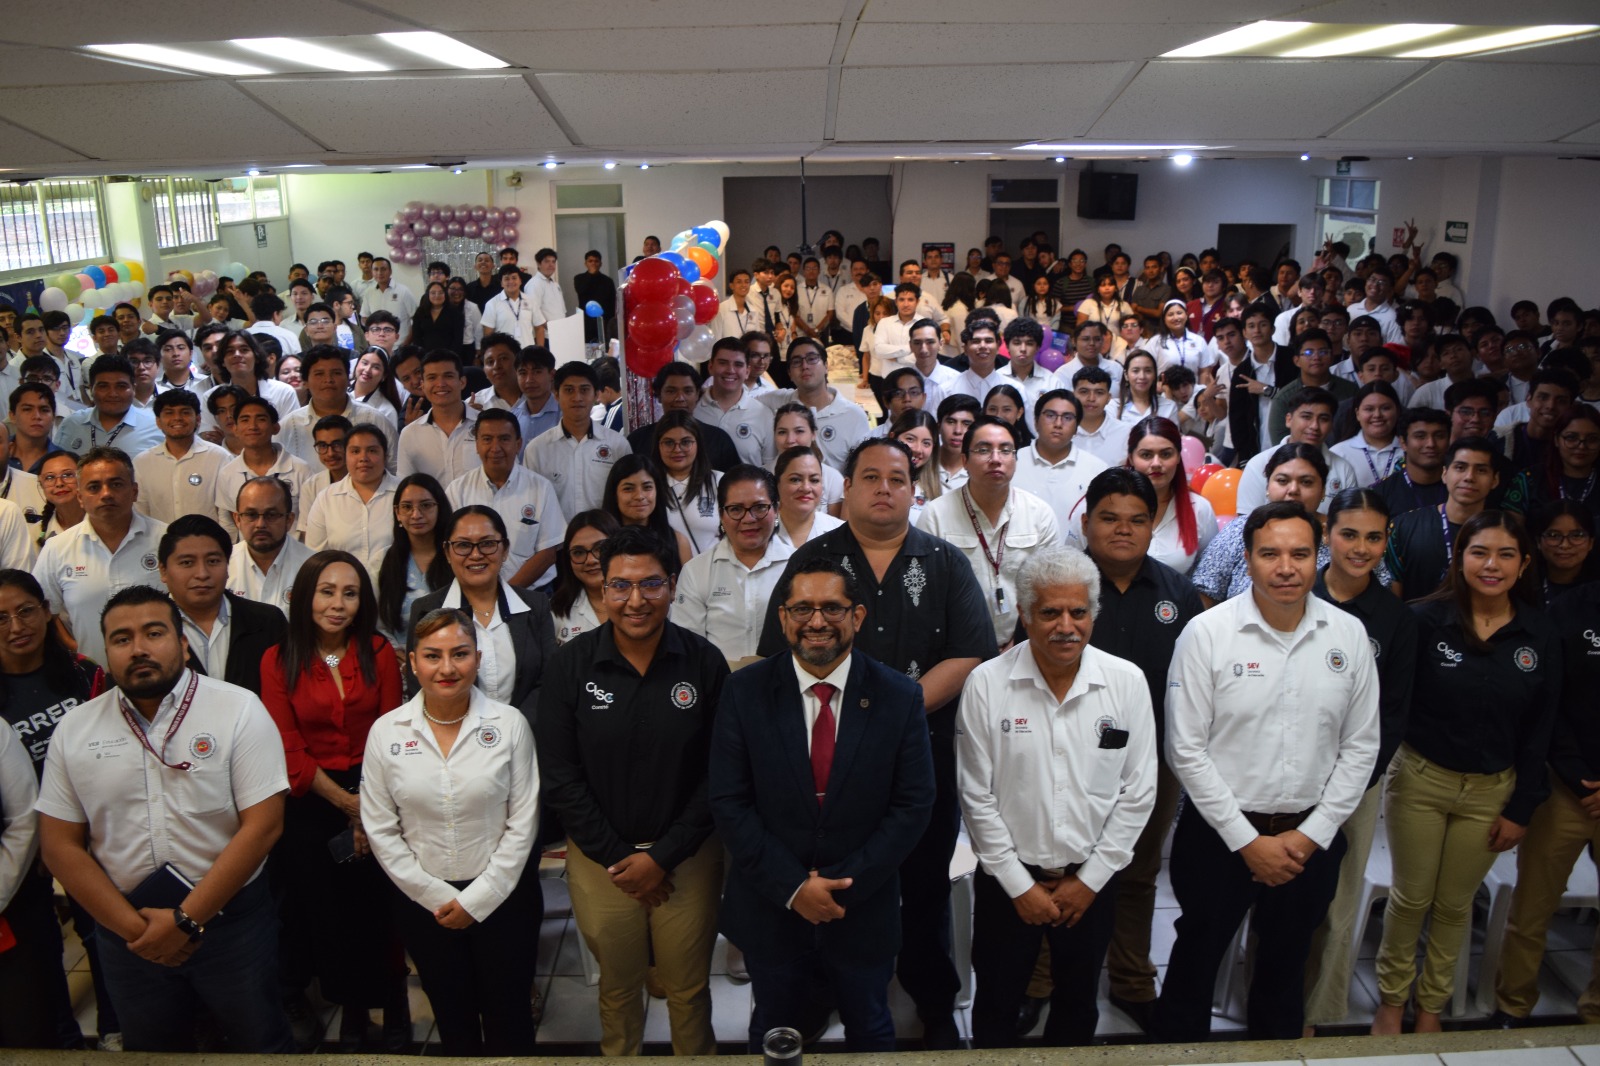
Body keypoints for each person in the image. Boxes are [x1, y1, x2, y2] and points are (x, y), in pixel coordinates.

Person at [758, 438, 997, 1049]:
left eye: (897, 478)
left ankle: (933, 1001)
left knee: (924, 886)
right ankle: (821, 995)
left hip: (923, 756)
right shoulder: (814, 559)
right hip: (826, 762)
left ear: (914, 491)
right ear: (847, 489)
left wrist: (893, 716)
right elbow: (781, 654)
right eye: (870, 477)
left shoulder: (944, 562)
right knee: (830, 881)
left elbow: (969, 653)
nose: (884, 488)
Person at [1155, 502, 1379, 1042]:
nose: (1285, 568)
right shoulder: (1207, 633)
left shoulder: (1347, 635)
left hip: (1309, 839)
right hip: (1219, 836)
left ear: (1317, 557)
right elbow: (1185, 749)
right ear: (1248, 558)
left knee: (1285, 966)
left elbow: (1361, 746)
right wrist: (1247, 841)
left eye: (1300, 554)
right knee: (1196, 960)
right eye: (1270, 554)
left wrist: (1311, 834)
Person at [36, 585, 293, 1052]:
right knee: (152, 1051)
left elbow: (264, 826)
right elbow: (58, 844)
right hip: (126, 931)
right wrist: (139, 932)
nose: (138, 648)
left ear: (183, 643)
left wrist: (185, 920)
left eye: (154, 633)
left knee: (260, 1043)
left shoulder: (238, 709)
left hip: (230, 924)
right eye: (121, 639)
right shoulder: (76, 728)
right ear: (105, 651)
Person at [711, 557, 935, 1051]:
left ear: (857, 616)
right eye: (803, 609)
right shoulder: (744, 692)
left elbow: (913, 805)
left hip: (861, 907)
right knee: (773, 1030)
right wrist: (795, 888)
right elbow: (729, 800)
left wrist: (840, 888)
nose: (817, 621)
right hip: (772, 905)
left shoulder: (899, 697)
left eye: (832, 608)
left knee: (871, 1028)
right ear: (783, 618)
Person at [537, 527, 730, 1056]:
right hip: (602, 860)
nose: (636, 600)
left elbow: (720, 772)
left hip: (688, 856)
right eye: (620, 586)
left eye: (651, 584)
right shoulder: (570, 665)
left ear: (673, 586)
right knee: (619, 989)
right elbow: (560, 775)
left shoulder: (704, 662)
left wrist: (662, 858)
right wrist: (621, 858)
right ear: (602, 589)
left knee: (688, 989)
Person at [959, 546, 1156, 1047]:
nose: (1066, 626)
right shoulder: (986, 684)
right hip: (1008, 884)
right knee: (996, 1004)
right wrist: (1018, 886)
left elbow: (1139, 792)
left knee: (1078, 1005)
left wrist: (1089, 881)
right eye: (1050, 613)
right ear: (1025, 615)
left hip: (1091, 883)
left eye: (1078, 612)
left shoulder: (1126, 682)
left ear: (1094, 613)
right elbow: (975, 795)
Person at [1372, 511, 1561, 1034]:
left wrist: (1522, 807)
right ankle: (1391, 1002)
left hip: (1491, 792)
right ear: (1459, 558)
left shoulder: (1540, 633)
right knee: (1411, 898)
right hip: (1421, 781)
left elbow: (1541, 728)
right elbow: (1395, 707)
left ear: (1524, 564)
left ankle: (1431, 1007)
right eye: (1479, 552)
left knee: (1455, 906)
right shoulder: (1422, 621)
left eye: (1505, 554)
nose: (1491, 565)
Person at [361, 607, 540, 1056]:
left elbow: (523, 823)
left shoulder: (509, 725)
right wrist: (438, 897)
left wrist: (477, 900)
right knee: (452, 1019)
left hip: (505, 899)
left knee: (510, 1020)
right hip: (425, 906)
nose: (447, 668)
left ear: (477, 658)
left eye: (459, 654)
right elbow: (381, 829)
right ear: (412, 662)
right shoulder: (386, 733)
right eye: (432, 655)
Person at [260, 550, 408, 1050]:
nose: (338, 604)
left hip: (378, 789)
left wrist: (367, 810)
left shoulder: (378, 651)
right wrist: (347, 807)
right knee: (329, 913)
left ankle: (394, 1000)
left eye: (350, 593)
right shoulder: (278, 659)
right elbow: (288, 747)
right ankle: (351, 1007)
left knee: (381, 905)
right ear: (306, 596)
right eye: (327, 592)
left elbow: (389, 733)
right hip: (312, 799)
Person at [1297, 489, 1418, 1033]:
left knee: (1338, 903)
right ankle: (1268, 1003)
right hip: (1281, 776)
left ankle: (1315, 1014)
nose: (1360, 548)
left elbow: (1393, 714)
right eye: (1349, 534)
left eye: (1373, 537)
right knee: (1279, 897)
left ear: (1387, 540)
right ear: (1327, 533)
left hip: (1354, 784)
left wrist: (1348, 784)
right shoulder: (1294, 593)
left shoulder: (1395, 619)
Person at [0, 570, 111, 1051]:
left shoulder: (85, 673)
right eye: (0, 618)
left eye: (26, 611)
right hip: (20, 842)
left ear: (47, 612)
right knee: (39, 949)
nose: (16, 626)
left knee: (102, 934)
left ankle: (114, 1029)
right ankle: (62, 1039)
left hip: (93, 832)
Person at [1492, 572, 1600, 1024]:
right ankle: (1512, 1006)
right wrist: (1577, 775)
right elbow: (1549, 703)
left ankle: (1596, 1012)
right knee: (1532, 908)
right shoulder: (1570, 610)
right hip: (1566, 786)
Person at [406, 505, 558, 729]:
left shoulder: (536, 606)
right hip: (454, 737)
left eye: (487, 544)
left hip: (525, 734)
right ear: (447, 552)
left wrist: (513, 730)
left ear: (504, 549)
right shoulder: (426, 610)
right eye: (463, 545)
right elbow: (419, 684)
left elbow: (549, 680)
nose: (476, 554)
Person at [917, 416, 1060, 648]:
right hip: (954, 649)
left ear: (1015, 458)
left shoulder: (1039, 515)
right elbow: (927, 595)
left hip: (1024, 646)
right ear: (964, 460)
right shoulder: (935, 515)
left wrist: (1019, 643)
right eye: (983, 450)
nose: (995, 459)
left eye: (1005, 450)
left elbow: (1049, 589)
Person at [32, 447, 167, 668]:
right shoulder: (57, 548)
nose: (106, 494)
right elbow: (43, 612)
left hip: (161, 671)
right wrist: (72, 645)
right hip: (92, 674)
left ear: (134, 491)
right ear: (80, 497)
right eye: (94, 487)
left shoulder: (165, 540)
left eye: (116, 484)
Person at [1194, 443, 1341, 605]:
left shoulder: (1338, 538)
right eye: (1282, 481)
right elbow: (1204, 594)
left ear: (1322, 491)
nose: (1293, 490)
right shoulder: (1239, 530)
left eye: (1306, 482)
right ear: (1268, 487)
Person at [674, 465, 793, 661]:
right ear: (721, 515)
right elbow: (689, 646)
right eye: (736, 509)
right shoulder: (696, 571)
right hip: (718, 678)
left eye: (759, 507)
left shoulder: (798, 567)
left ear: (776, 509)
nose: (749, 519)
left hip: (784, 676)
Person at [158, 514, 284, 695]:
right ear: (163, 570)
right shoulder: (145, 629)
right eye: (187, 563)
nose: (202, 574)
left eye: (213, 561)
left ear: (227, 565)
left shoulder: (268, 621)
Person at [1384, 435, 1501, 600]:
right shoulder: (1404, 526)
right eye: (1460, 467)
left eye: (1481, 470)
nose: (1469, 477)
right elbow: (1390, 598)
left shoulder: (1505, 534)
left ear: (1495, 480)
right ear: (1445, 474)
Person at [524, 362, 631, 518]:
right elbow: (531, 503)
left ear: (596, 395)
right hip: (556, 534)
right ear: (556, 395)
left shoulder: (618, 445)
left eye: (584, 390)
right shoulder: (537, 449)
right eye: (569, 390)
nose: (577, 398)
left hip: (606, 532)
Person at [1235, 387, 1358, 515]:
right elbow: (1246, 520)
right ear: (1289, 419)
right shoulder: (1259, 463)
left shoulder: (1343, 469)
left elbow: (1349, 521)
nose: (1314, 426)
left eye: (1323, 419)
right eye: (1306, 417)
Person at [305, 425, 402, 579]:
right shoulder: (326, 499)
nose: (363, 458)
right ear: (345, 455)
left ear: (385, 455)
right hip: (343, 587)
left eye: (372, 451)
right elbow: (315, 556)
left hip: (396, 585)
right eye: (355, 451)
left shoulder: (404, 494)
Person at [214, 395, 315, 542]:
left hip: (293, 553)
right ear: (235, 428)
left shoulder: (301, 470)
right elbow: (228, 525)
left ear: (275, 427)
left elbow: (309, 524)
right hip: (247, 553)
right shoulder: (227, 473)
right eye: (245, 420)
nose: (252, 426)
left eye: (261, 419)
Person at [132, 389, 230, 527]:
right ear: (158, 421)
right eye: (169, 413)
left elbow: (226, 515)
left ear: (198, 419)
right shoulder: (142, 462)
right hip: (158, 540)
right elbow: (140, 513)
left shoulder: (220, 457)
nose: (177, 418)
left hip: (209, 539)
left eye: (185, 412)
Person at [374, 474, 453, 646]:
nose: (416, 514)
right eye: (407, 507)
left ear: (440, 508)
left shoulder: (457, 556)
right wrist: (393, 650)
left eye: (426, 505)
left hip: (452, 653)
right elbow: (377, 624)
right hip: (399, 657)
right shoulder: (381, 561)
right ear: (397, 513)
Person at [227, 475, 313, 617]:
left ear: (289, 520)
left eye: (271, 515)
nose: (260, 524)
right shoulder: (224, 565)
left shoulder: (311, 567)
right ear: (237, 519)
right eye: (251, 514)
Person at [53, 356, 162, 458]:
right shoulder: (71, 424)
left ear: (133, 389)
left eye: (121, 386)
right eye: (103, 386)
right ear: (91, 389)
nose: (112, 394)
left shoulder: (155, 427)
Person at [398, 351, 477, 486]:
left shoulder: (485, 426)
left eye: (448, 376)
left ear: (462, 382)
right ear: (423, 385)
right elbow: (405, 487)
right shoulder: (410, 434)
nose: (440, 384)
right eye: (432, 378)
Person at [602, 453, 692, 564]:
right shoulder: (600, 542)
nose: (639, 496)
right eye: (628, 489)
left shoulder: (679, 542)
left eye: (647, 487)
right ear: (614, 494)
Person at [652, 413, 721, 557]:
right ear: (658, 445)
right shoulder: (648, 486)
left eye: (686, 442)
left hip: (714, 568)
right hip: (666, 570)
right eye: (669, 443)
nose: (677, 449)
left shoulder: (720, 481)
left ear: (698, 444)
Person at [549, 510, 620, 645]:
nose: (590, 560)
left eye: (600, 548)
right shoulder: (555, 610)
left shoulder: (640, 599)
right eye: (578, 552)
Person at [1330, 381, 1402, 487]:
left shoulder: (1411, 451)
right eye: (1369, 409)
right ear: (1357, 414)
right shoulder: (1339, 453)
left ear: (1397, 411)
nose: (1377, 415)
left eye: (1385, 408)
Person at [772, 445, 844, 549]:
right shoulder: (760, 531)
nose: (806, 488)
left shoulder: (841, 532)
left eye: (814, 480)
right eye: (795, 479)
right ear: (777, 484)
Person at [891, 410, 942, 521]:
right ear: (892, 437)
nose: (918, 449)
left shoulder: (940, 490)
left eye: (926, 443)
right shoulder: (869, 479)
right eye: (910, 439)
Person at [350, 348, 404, 431]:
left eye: (376, 367)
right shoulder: (341, 392)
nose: (367, 370)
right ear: (356, 365)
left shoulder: (386, 411)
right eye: (365, 363)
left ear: (384, 376)